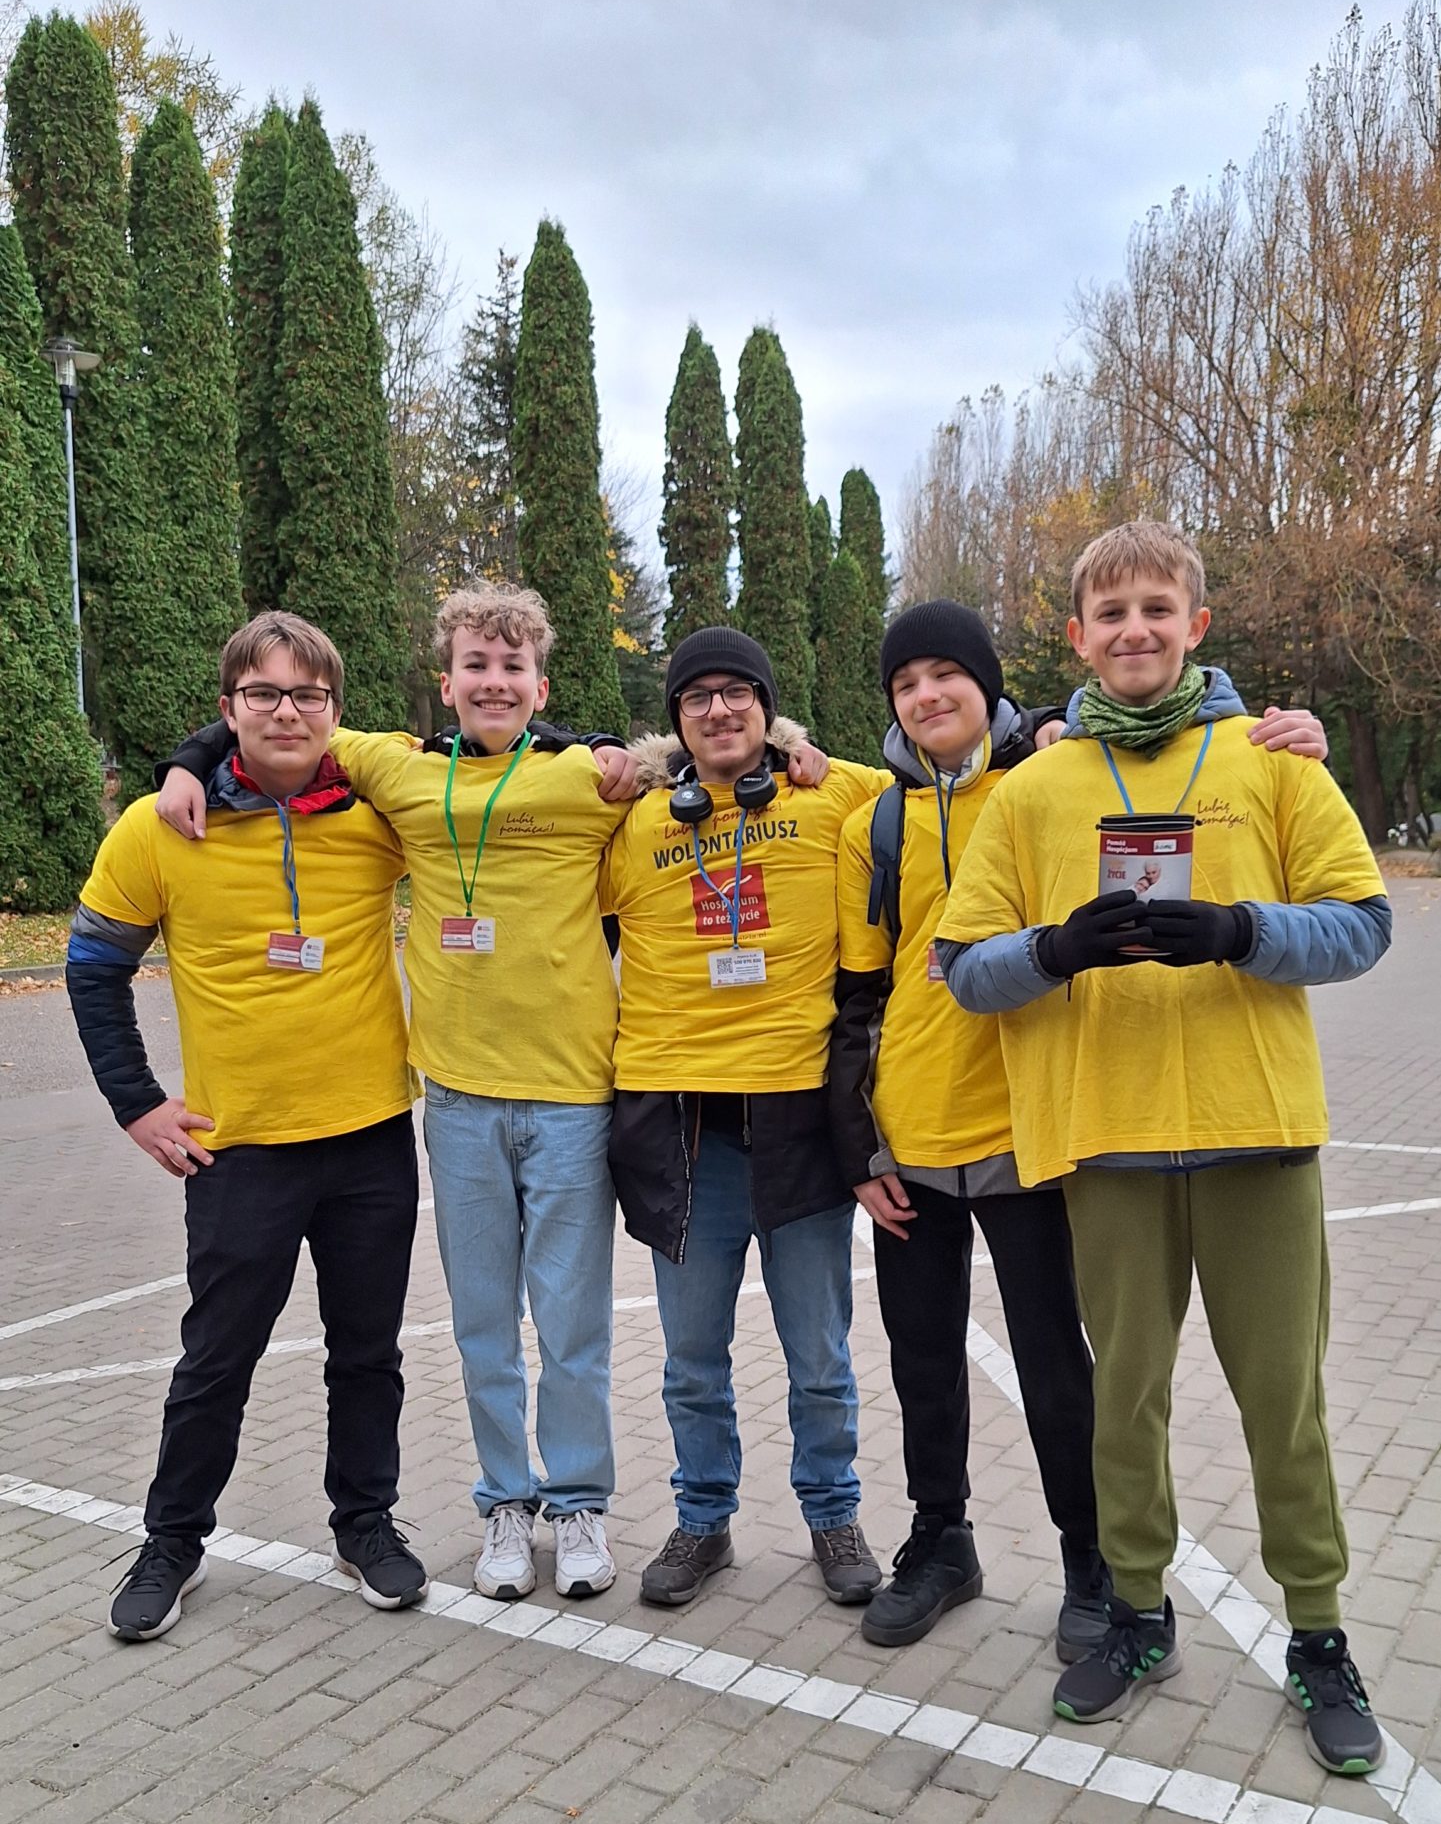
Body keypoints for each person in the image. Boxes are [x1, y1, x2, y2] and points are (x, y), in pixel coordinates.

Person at [938, 520, 1392, 1774]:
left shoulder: (1272, 761)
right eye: (1109, 613)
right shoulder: (1032, 789)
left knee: (1283, 1408)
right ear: (1074, 636)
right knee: (1121, 1404)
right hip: (1111, 1144)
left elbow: (1361, 925)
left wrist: (1246, 930)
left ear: (1195, 623)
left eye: (1156, 608)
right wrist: (1053, 953)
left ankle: (1316, 1633)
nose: (1132, 629)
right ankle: (1137, 1614)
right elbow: (959, 968)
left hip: (1259, 1139)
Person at [830, 599, 1332, 1653]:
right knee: (922, 1359)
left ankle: (1089, 1561)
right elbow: (854, 996)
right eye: (905, 682)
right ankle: (941, 1541)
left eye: (946, 675)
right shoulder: (864, 821)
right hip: (910, 1136)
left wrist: (1269, 722)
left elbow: (1148, 725)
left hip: (1036, 1130)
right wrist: (855, 1143)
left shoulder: (1052, 777)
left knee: (1062, 1365)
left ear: (989, 685)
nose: (927, 696)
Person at [156, 586, 633, 1607]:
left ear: (539, 687)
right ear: (446, 681)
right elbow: (280, 723)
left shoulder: (589, 781)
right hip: (455, 1101)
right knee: (480, 1324)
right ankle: (506, 1503)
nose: (492, 682)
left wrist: (786, 747)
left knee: (573, 1321)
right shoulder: (394, 768)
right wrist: (186, 761)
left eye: (512, 669)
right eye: (474, 664)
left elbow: (698, 764)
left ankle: (579, 1502)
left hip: (572, 1100)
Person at [68, 613, 426, 1641]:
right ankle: (173, 1540)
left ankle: (366, 1524)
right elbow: (93, 968)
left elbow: (498, 752)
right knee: (216, 1356)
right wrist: (136, 1102)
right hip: (239, 1148)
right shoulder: (160, 826)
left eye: (307, 694)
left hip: (367, 1137)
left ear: (336, 714)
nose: (286, 711)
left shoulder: (378, 810)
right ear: (226, 710)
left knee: (368, 1352)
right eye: (262, 694)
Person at [602, 627, 890, 1609]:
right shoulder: (633, 821)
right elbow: (497, 772)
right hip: (683, 1140)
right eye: (698, 698)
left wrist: (1045, 721)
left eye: (739, 694)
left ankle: (831, 1511)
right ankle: (702, 1520)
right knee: (690, 1362)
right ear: (674, 721)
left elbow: (955, 774)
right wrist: (199, 759)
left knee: (818, 1355)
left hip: (801, 1128)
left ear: (770, 712)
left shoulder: (831, 794)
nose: (719, 711)